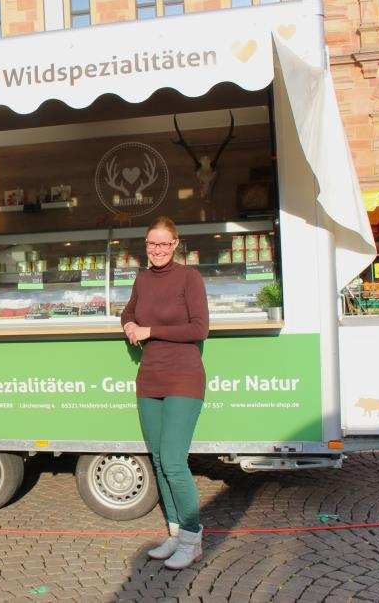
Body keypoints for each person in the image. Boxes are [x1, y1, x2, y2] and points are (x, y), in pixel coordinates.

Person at [120, 215, 209, 570]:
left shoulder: (190, 277)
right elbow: (129, 311)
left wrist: (149, 330)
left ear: (175, 244)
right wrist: (128, 324)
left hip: (183, 376)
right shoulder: (141, 278)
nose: (157, 250)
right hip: (150, 377)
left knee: (173, 460)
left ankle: (192, 537)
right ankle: (175, 535)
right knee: (157, 458)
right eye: (151, 244)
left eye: (163, 244)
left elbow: (200, 328)